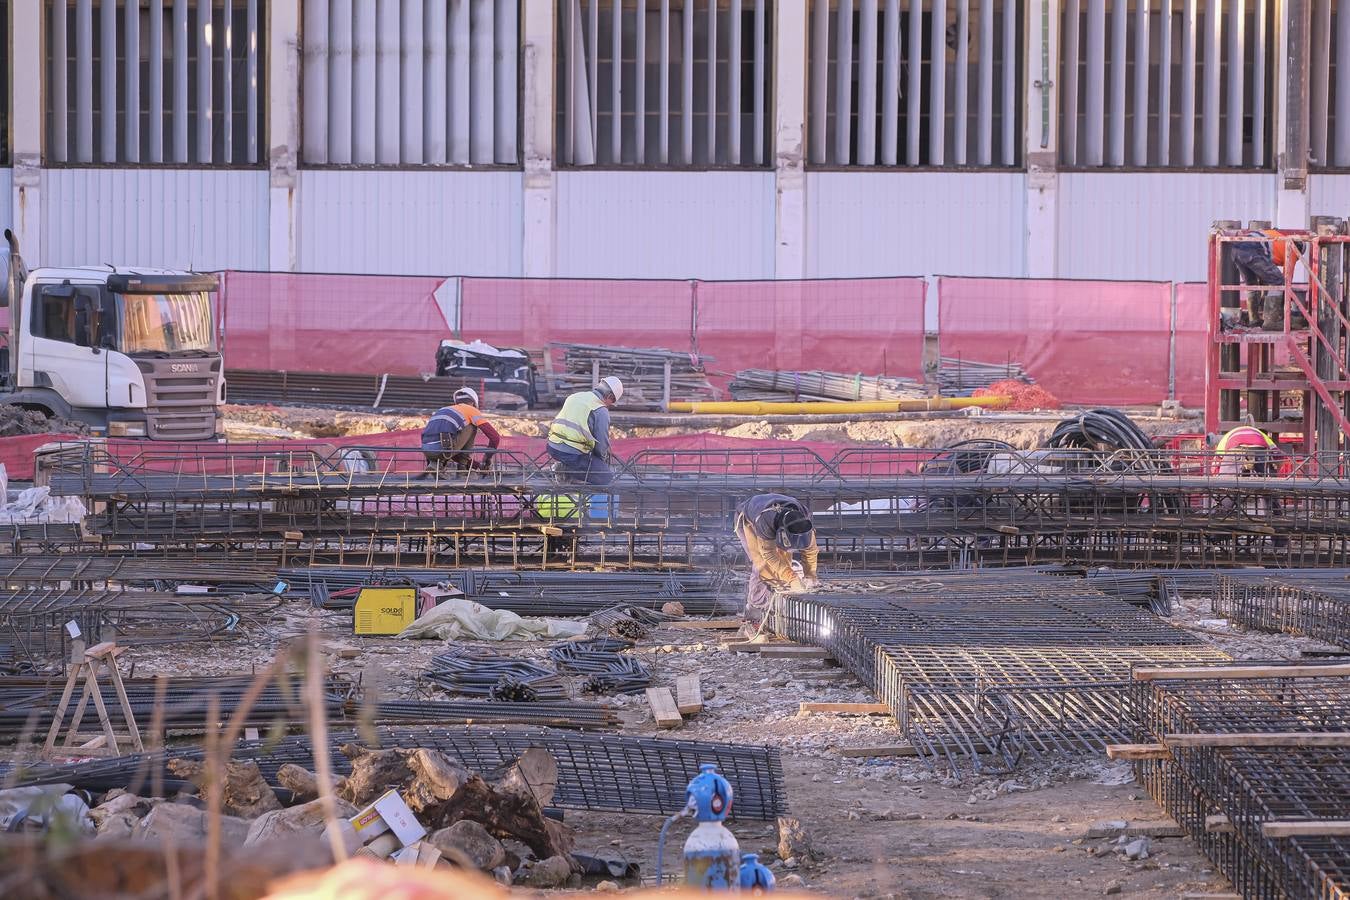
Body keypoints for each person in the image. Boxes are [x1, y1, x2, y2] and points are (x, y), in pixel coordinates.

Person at [735, 493, 820, 627]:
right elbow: (768, 555)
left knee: (783, 563)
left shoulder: (804, 521)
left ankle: (778, 609)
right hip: (749, 520)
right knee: (762, 567)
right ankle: (755, 613)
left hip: (777, 522)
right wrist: (792, 578)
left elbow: (811, 551)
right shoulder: (765, 521)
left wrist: (810, 575)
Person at [546, 376, 622, 486]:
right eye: (612, 402)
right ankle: (565, 470)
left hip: (552, 446)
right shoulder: (600, 410)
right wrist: (601, 463)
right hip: (571, 453)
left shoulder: (575, 396)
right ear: (610, 396)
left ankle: (565, 468)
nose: (610, 405)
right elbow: (601, 445)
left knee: (589, 461)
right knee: (606, 477)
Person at [420, 387, 501, 476]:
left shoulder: (442, 410)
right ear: (473, 403)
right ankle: (462, 469)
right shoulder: (471, 410)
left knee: (449, 437)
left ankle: (436, 464)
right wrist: (487, 457)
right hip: (443, 450)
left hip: (427, 451)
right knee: (472, 425)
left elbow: (455, 453)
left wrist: (478, 466)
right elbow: (495, 437)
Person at [1231, 229, 1296, 331]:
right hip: (1252, 249)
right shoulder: (1292, 248)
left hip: (1236, 249)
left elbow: (1265, 270)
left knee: (1251, 284)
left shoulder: (1278, 237)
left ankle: (1254, 320)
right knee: (1278, 282)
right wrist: (1289, 302)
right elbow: (1287, 280)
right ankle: (1271, 321)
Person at [1212, 426, 1281, 477]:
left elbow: (1215, 464)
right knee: (1265, 481)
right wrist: (1275, 471)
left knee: (1227, 481)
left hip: (1235, 450)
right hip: (1259, 449)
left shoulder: (1226, 437)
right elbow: (1279, 457)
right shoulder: (1263, 436)